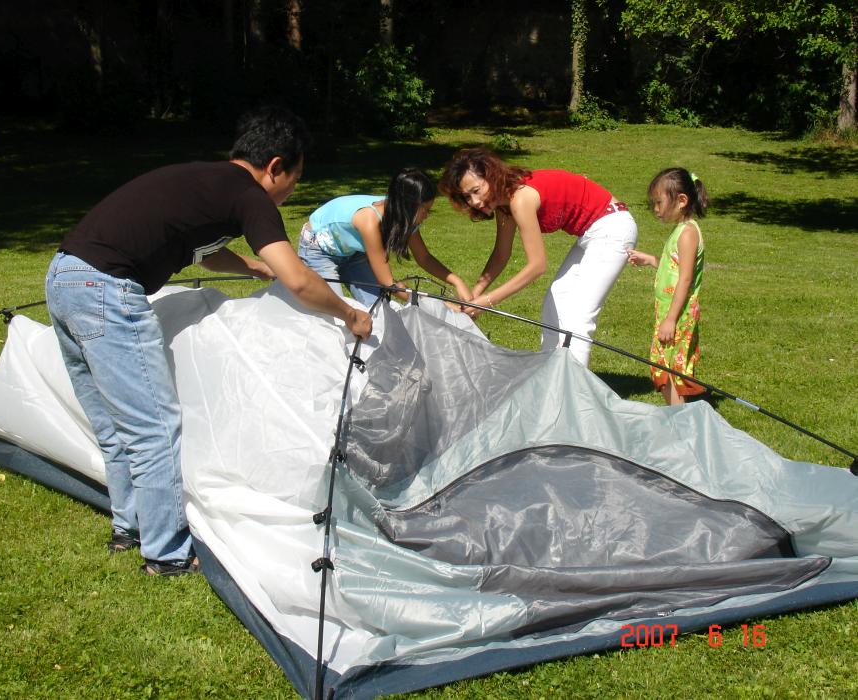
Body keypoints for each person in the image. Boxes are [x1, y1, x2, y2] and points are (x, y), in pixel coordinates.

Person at [45, 106, 372, 577]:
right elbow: (300, 280)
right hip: (106, 290)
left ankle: (129, 527)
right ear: (275, 166)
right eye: (295, 180)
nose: (291, 192)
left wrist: (252, 266)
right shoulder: (250, 196)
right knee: (154, 426)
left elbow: (204, 252)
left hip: (64, 278)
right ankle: (167, 554)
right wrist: (349, 313)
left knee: (115, 424)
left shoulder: (205, 179)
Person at [438, 148, 638, 366]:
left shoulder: (520, 199)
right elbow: (501, 254)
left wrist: (486, 302)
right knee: (555, 303)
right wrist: (472, 298)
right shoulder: (505, 205)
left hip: (613, 227)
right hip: (592, 232)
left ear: (492, 175)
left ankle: (572, 384)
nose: (475, 202)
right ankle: (551, 374)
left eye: (476, 190)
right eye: (467, 196)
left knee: (579, 315)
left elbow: (537, 266)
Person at [298, 168, 472, 307]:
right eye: (425, 210)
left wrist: (457, 282)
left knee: (378, 308)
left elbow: (424, 258)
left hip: (352, 252)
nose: (427, 216)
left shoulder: (406, 218)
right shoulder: (369, 221)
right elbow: (388, 282)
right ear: (407, 206)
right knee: (332, 311)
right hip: (319, 250)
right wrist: (438, 305)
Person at [626, 168, 708, 406]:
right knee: (664, 365)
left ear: (681, 200)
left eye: (659, 202)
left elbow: (685, 278)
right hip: (670, 311)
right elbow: (674, 266)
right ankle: (679, 414)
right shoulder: (681, 230)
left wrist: (671, 319)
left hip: (678, 314)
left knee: (666, 367)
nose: (656, 209)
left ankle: (679, 416)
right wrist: (651, 260)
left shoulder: (688, 233)